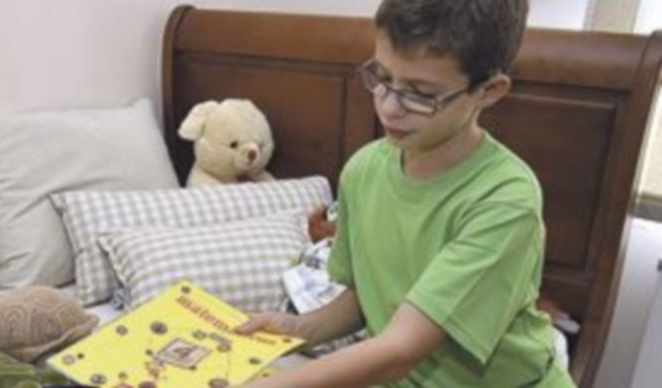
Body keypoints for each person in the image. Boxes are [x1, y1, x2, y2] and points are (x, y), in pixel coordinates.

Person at [235, 0, 577, 387]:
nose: (388, 107)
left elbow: (400, 350)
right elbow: (370, 295)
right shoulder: (364, 170)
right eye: (381, 77)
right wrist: (298, 327)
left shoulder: (505, 199)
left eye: (420, 93)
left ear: (488, 91)